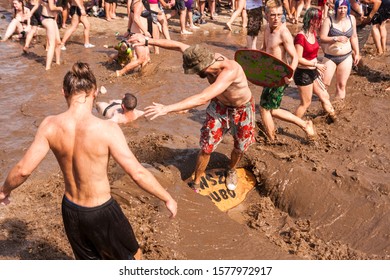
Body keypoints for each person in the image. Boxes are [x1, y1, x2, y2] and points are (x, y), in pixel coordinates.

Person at [0, 62, 177, 260]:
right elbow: (137, 173)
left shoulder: (49, 125)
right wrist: (166, 198)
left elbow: (23, 169)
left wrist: (4, 191)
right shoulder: (107, 129)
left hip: (71, 210)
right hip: (101, 211)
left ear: (64, 92)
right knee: (134, 258)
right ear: (94, 92)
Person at [128, 34, 256, 192]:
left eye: (195, 71)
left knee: (240, 147)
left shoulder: (230, 70)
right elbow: (177, 45)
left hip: (242, 109)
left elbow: (203, 98)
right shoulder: (199, 54)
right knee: (206, 147)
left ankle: (231, 169)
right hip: (219, 106)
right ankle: (197, 180)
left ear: (202, 66)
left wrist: (166, 108)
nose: (195, 74)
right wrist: (147, 41)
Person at [259, 0, 315, 143]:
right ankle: (274, 136)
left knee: (266, 108)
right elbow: (264, 50)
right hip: (269, 74)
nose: (276, 18)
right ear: (266, 15)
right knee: (269, 109)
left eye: (279, 14)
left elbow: (295, 57)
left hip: (281, 76)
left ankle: (274, 138)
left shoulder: (284, 33)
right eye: (273, 15)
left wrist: (290, 74)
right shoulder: (266, 28)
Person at [294, 7, 336, 121]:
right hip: (303, 74)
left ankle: (333, 119)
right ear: (312, 21)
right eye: (319, 19)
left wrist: (316, 68)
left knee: (324, 96)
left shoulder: (313, 33)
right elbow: (298, 59)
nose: (321, 21)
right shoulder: (300, 37)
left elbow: (313, 55)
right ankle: (294, 123)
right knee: (306, 103)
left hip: (313, 71)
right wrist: (316, 65)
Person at [319, 0, 360, 102]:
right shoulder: (329, 20)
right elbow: (322, 38)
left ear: (348, 8)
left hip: (346, 56)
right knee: (324, 85)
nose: (342, 10)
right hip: (330, 57)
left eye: (345, 8)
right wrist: (335, 38)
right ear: (336, 8)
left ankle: (338, 108)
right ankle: (326, 108)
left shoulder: (352, 19)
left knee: (341, 85)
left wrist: (357, 53)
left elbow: (354, 37)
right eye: (340, 8)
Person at [29, 0, 63, 70]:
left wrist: (30, 14)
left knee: (58, 42)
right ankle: (47, 68)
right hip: (48, 20)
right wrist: (59, 8)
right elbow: (51, 8)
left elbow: (37, 4)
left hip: (50, 19)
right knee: (52, 44)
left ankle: (58, 63)